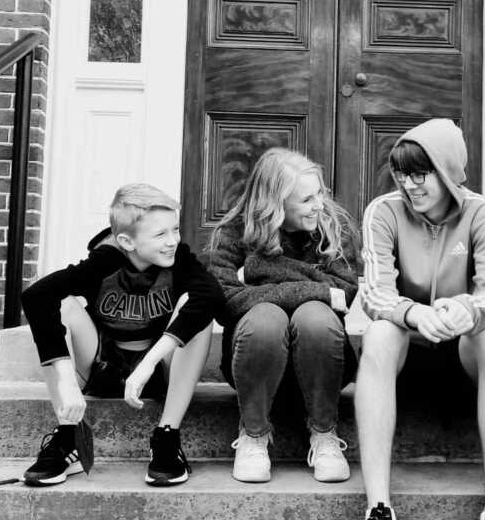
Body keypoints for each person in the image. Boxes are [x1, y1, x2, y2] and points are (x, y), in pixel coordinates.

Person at [349, 118, 485, 520]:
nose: (409, 184)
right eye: (402, 174)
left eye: (420, 173)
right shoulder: (383, 211)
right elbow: (375, 294)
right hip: (408, 348)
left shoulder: (481, 212)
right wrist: (413, 314)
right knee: (380, 334)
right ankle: (378, 515)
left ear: (447, 171)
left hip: (463, 348)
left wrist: (464, 309)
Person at [21, 183, 223, 488]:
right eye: (160, 235)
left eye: (175, 230)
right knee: (61, 303)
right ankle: (68, 437)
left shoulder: (179, 259)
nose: (172, 241)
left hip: (156, 372)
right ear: (127, 241)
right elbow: (36, 296)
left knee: (198, 311)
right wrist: (66, 380)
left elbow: (212, 297)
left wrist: (148, 363)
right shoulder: (104, 261)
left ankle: (167, 437)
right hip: (103, 365)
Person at [210, 148, 360, 484]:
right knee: (266, 318)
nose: (319, 204)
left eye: (319, 192)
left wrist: (260, 271)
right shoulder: (235, 230)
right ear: (275, 205)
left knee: (315, 317)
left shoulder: (335, 225)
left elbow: (344, 292)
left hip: (324, 359)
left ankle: (324, 433)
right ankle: (253, 435)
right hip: (254, 360)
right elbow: (225, 302)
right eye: (307, 199)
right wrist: (316, 284)